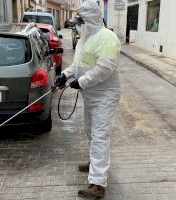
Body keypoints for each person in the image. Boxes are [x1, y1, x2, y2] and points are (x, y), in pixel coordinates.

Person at [55, 0, 121, 198]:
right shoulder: (85, 37)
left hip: (105, 96)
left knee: (100, 135)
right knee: (90, 131)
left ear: (90, 18)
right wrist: (65, 75)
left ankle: (98, 183)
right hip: (90, 95)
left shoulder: (107, 38)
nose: (77, 22)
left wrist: (81, 82)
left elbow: (105, 68)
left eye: (80, 19)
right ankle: (95, 163)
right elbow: (79, 64)